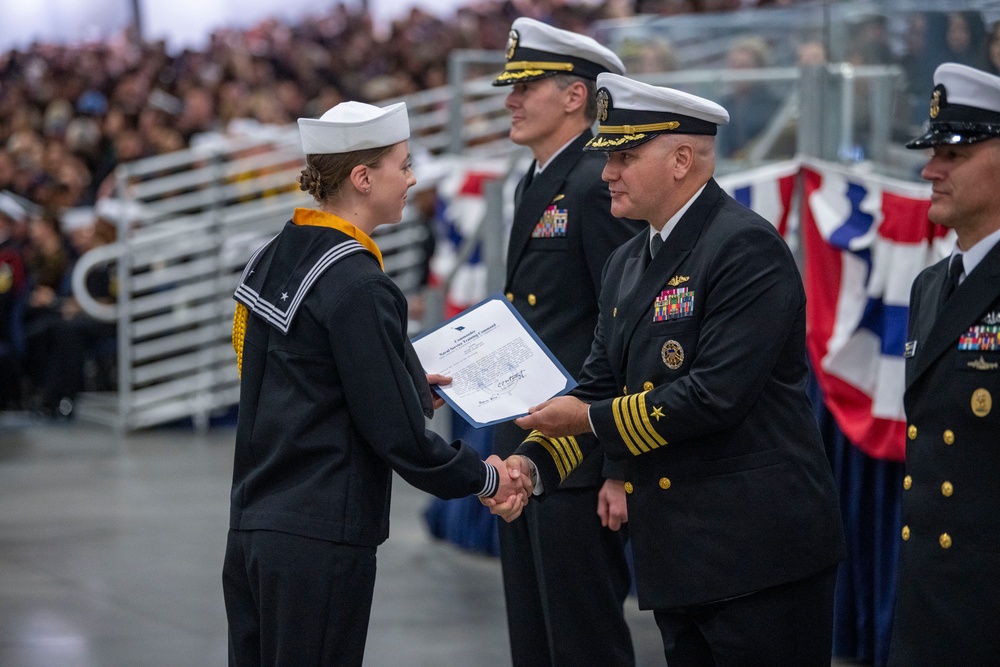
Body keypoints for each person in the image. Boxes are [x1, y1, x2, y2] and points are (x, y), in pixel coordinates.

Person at [486, 73, 846, 665]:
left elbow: (712, 396)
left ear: (682, 159)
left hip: (757, 555)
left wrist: (587, 421)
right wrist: (531, 462)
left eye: (624, 156)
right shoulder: (628, 260)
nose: (607, 172)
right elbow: (600, 384)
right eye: (607, 156)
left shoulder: (744, 247)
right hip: (679, 557)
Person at [222, 100, 528, 667]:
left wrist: (397, 378)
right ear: (363, 178)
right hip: (321, 533)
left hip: (253, 525)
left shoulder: (272, 255)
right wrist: (485, 477)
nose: (412, 179)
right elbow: (399, 438)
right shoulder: (359, 282)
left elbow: (284, 376)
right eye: (403, 164)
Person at [490, 17, 642, 667]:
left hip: (577, 453)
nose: (510, 100)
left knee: (582, 640)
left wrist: (620, 465)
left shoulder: (592, 182)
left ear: (575, 95)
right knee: (536, 636)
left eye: (527, 86)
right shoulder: (537, 177)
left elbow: (625, 328)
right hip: (527, 444)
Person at [889, 62, 1000, 666]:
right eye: (933, 151)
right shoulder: (932, 285)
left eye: (954, 154)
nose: (930, 169)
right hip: (930, 593)